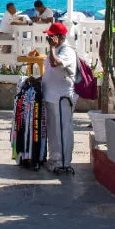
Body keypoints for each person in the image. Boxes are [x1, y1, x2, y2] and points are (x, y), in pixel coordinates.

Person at [42, 22, 76, 173]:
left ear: (60, 37)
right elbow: (49, 70)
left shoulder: (66, 51)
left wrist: (52, 48)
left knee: (63, 129)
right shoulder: (56, 50)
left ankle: (64, 162)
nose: (48, 38)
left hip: (62, 97)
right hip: (51, 96)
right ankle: (55, 158)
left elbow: (55, 63)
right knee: (53, 130)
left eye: (51, 36)